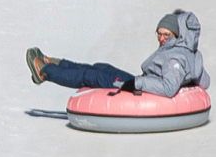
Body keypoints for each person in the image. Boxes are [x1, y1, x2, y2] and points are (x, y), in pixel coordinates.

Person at [27, 9, 203, 95]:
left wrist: (138, 84)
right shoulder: (183, 51)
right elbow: (204, 79)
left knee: (91, 76)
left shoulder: (176, 58)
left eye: (167, 35)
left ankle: (44, 72)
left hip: (140, 90)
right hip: (141, 84)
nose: (162, 38)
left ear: (177, 35)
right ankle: (55, 63)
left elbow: (169, 88)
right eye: (159, 33)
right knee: (102, 67)